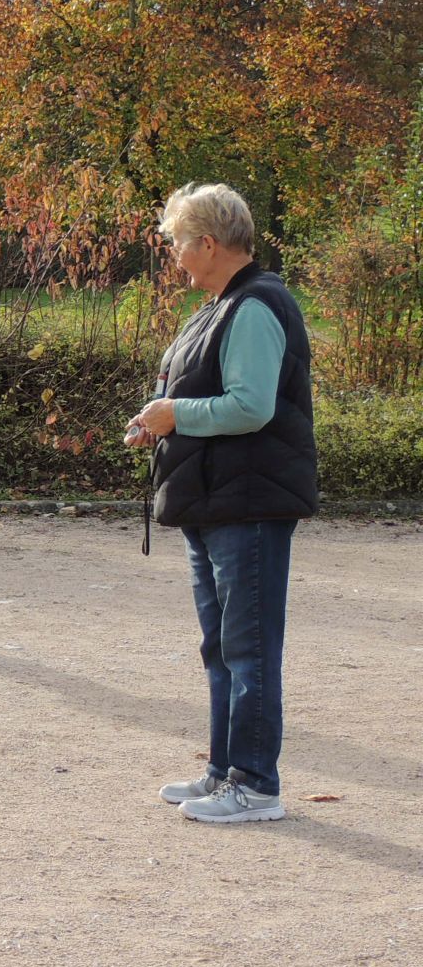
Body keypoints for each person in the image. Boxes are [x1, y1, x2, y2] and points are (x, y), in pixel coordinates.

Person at [126, 183, 316, 824]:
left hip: (249, 502)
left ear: (208, 243)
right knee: (222, 647)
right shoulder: (219, 305)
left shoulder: (256, 305)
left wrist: (175, 412)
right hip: (215, 501)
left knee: (248, 649)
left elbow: (251, 406)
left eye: (179, 242)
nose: (175, 255)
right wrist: (159, 420)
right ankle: (222, 771)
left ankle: (256, 785)